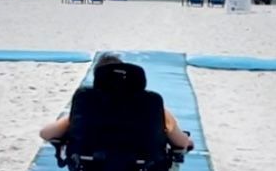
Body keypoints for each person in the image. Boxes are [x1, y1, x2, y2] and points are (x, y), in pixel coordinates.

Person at [40, 53, 193, 152]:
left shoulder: (86, 105)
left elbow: (46, 133)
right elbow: (181, 142)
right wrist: (188, 141)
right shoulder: (152, 106)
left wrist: (69, 120)